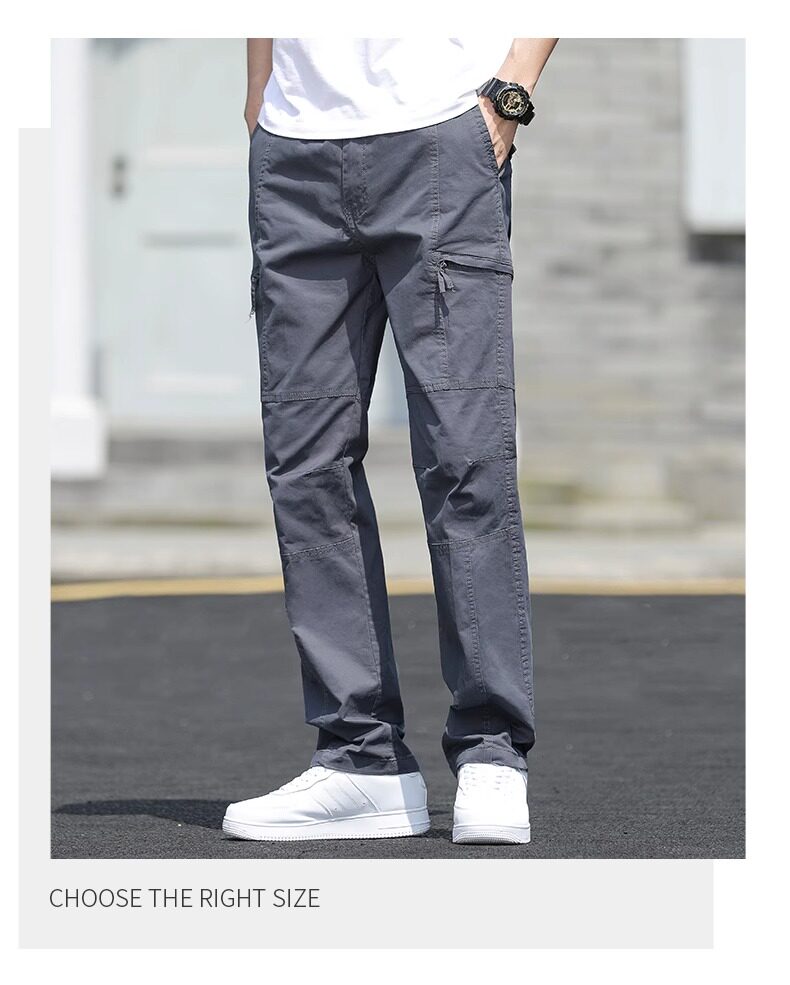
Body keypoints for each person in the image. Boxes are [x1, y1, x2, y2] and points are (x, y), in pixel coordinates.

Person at [223, 37, 558, 845]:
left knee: (464, 457)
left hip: (441, 136)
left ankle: (491, 750)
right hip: (295, 153)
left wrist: (511, 91)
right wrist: (261, 90)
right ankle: (360, 759)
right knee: (306, 465)